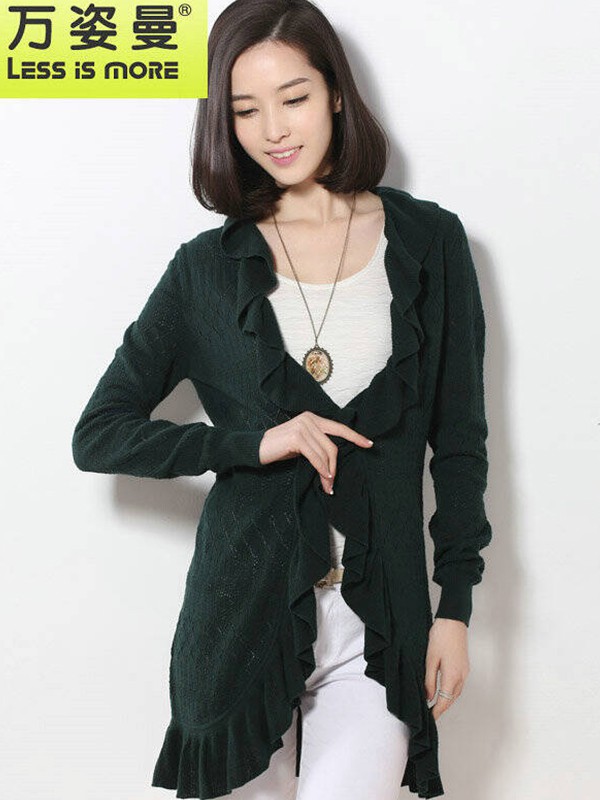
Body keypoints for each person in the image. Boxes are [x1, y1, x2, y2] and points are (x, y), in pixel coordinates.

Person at [72, 1, 493, 798]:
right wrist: (252, 442)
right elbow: (99, 433)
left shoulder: (431, 244)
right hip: (236, 627)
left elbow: (460, 441)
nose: (273, 129)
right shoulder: (206, 269)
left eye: (293, 97)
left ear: (334, 92)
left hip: (380, 629)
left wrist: (456, 606)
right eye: (245, 110)